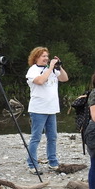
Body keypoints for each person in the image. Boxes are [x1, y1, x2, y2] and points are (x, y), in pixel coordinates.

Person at [25, 46, 69, 174]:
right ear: (36, 57)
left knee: (52, 137)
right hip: (38, 109)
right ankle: (32, 164)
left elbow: (64, 78)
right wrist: (50, 68)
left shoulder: (52, 70)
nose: (46, 58)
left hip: (52, 108)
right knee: (36, 137)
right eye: (43, 56)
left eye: (47, 56)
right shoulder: (33, 70)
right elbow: (40, 81)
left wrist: (59, 67)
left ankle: (53, 162)